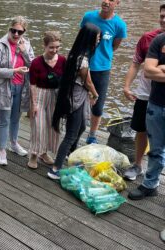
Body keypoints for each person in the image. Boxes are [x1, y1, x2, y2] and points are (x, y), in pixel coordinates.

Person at [48, 23, 100, 180]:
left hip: (74, 96)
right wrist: (95, 95)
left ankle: (70, 154)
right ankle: (55, 169)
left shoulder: (75, 53)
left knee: (82, 126)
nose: (98, 41)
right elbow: (88, 82)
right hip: (75, 99)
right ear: (90, 38)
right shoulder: (82, 59)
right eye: (97, 38)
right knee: (71, 134)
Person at [123, 4, 165, 181]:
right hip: (145, 93)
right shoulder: (148, 38)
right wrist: (126, 86)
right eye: (162, 16)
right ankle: (138, 165)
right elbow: (136, 64)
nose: (163, 19)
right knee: (141, 129)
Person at [0, 16, 35, 165]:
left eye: (19, 32)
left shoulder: (26, 45)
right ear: (9, 29)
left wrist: (24, 53)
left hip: (21, 88)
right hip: (4, 87)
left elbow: (33, 66)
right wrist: (14, 71)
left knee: (16, 119)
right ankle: (2, 150)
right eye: (13, 30)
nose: (16, 34)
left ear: (24, 32)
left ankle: (14, 143)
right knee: (4, 120)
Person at [80, 0, 127, 144]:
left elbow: (114, 46)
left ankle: (92, 135)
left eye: (111, 0)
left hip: (102, 69)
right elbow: (81, 38)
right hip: (83, 66)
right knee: (78, 102)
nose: (106, 1)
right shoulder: (88, 16)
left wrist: (102, 57)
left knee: (98, 106)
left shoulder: (119, 25)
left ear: (117, 2)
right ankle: (75, 131)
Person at [127, 29, 165, 200]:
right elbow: (148, 71)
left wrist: (162, 68)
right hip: (156, 103)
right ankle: (150, 184)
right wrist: (156, 69)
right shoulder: (158, 41)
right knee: (155, 149)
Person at [28, 31, 66, 169]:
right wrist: (34, 104)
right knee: (38, 127)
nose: (54, 50)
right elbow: (32, 84)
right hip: (40, 94)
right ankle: (33, 154)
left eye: (57, 47)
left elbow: (65, 81)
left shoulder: (62, 60)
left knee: (52, 127)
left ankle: (43, 153)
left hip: (55, 96)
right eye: (51, 47)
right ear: (44, 45)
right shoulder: (36, 62)